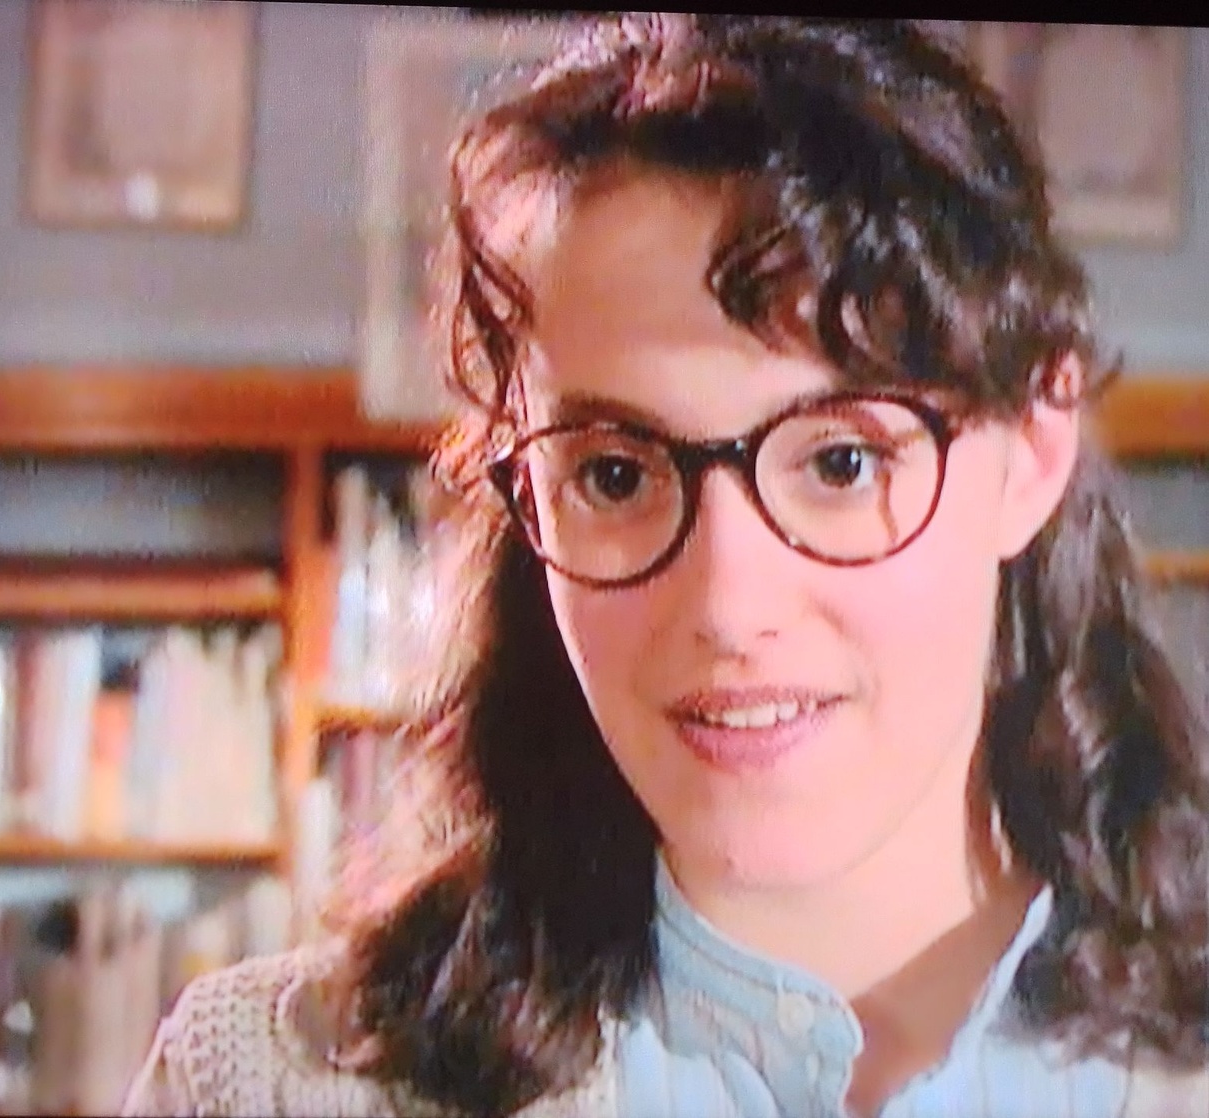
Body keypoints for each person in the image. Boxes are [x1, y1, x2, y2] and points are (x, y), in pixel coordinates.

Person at [122, 15, 1209, 1118]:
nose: (727, 604)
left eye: (840, 462)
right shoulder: (262, 1087)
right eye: (614, 474)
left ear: (1032, 452)